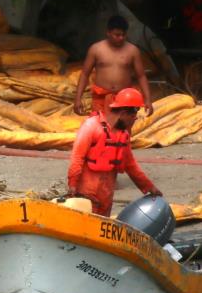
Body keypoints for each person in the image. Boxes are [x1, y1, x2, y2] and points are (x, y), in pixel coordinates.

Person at [67, 87, 160, 218]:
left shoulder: (123, 134)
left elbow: (130, 165)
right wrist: (72, 185)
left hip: (106, 194)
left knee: (102, 224)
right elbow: (77, 157)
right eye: (134, 116)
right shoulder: (91, 126)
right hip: (86, 192)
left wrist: (149, 187)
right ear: (123, 113)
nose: (134, 120)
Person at [73, 14, 153, 116]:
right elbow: (85, 74)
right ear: (108, 32)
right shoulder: (96, 49)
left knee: (123, 129)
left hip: (125, 98)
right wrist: (77, 99)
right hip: (101, 98)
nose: (121, 38)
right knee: (100, 127)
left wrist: (148, 100)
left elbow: (141, 76)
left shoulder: (133, 51)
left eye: (123, 35)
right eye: (117, 35)